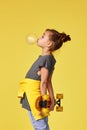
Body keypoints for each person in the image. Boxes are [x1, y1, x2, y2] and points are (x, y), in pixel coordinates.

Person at [18, 29, 71, 130]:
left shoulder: (45, 59)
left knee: (40, 126)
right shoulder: (49, 58)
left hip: (34, 95)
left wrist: (43, 102)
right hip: (34, 94)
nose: (38, 37)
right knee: (41, 125)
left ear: (49, 43)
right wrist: (52, 98)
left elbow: (44, 82)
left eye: (43, 36)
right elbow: (48, 81)